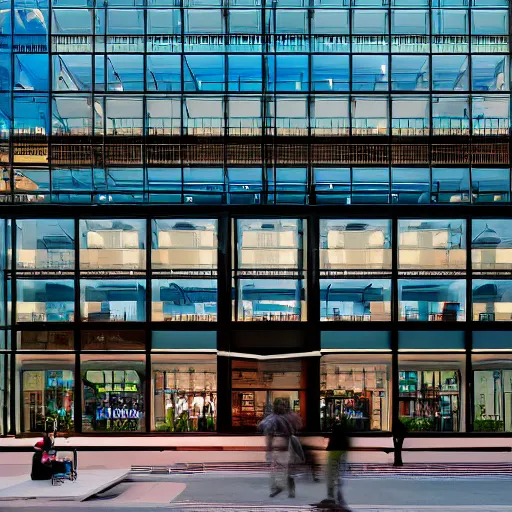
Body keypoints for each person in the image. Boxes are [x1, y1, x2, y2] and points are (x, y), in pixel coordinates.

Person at [258, 398, 302, 499]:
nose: (282, 407)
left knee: (286, 470)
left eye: (283, 405)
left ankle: (284, 488)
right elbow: (269, 436)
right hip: (281, 447)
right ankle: (281, 488)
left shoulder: (280, 418)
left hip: (286, 446)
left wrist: (268, 451)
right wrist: (268, 451)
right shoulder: (280, 418)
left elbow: (269, 435)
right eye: (280, 405)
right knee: (281, 470)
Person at [319, 418, 351, 510]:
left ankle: (331, 497)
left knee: (331, 477)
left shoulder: (334, 437)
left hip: (334, 454)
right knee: (338, 477)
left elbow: (330, 445)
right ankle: (338, 496)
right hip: (341, 453)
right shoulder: (344, 437)